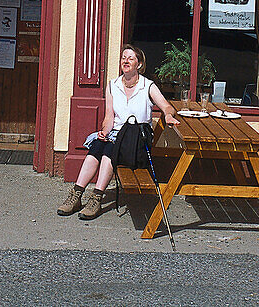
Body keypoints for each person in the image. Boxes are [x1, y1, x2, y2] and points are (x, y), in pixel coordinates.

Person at [57, 44, 180, 220]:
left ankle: (96, 198)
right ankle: (76, 195)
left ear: (139, 64)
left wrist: (168, 116)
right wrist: (104, 131)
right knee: (97, 147)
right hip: (116, 134)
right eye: (123, 57)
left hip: (137, 140)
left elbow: (167, 107)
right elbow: (109, 117)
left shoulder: (148, 86)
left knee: (109, 151)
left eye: (130, 58)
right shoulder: (112, 85)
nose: (126, 61)